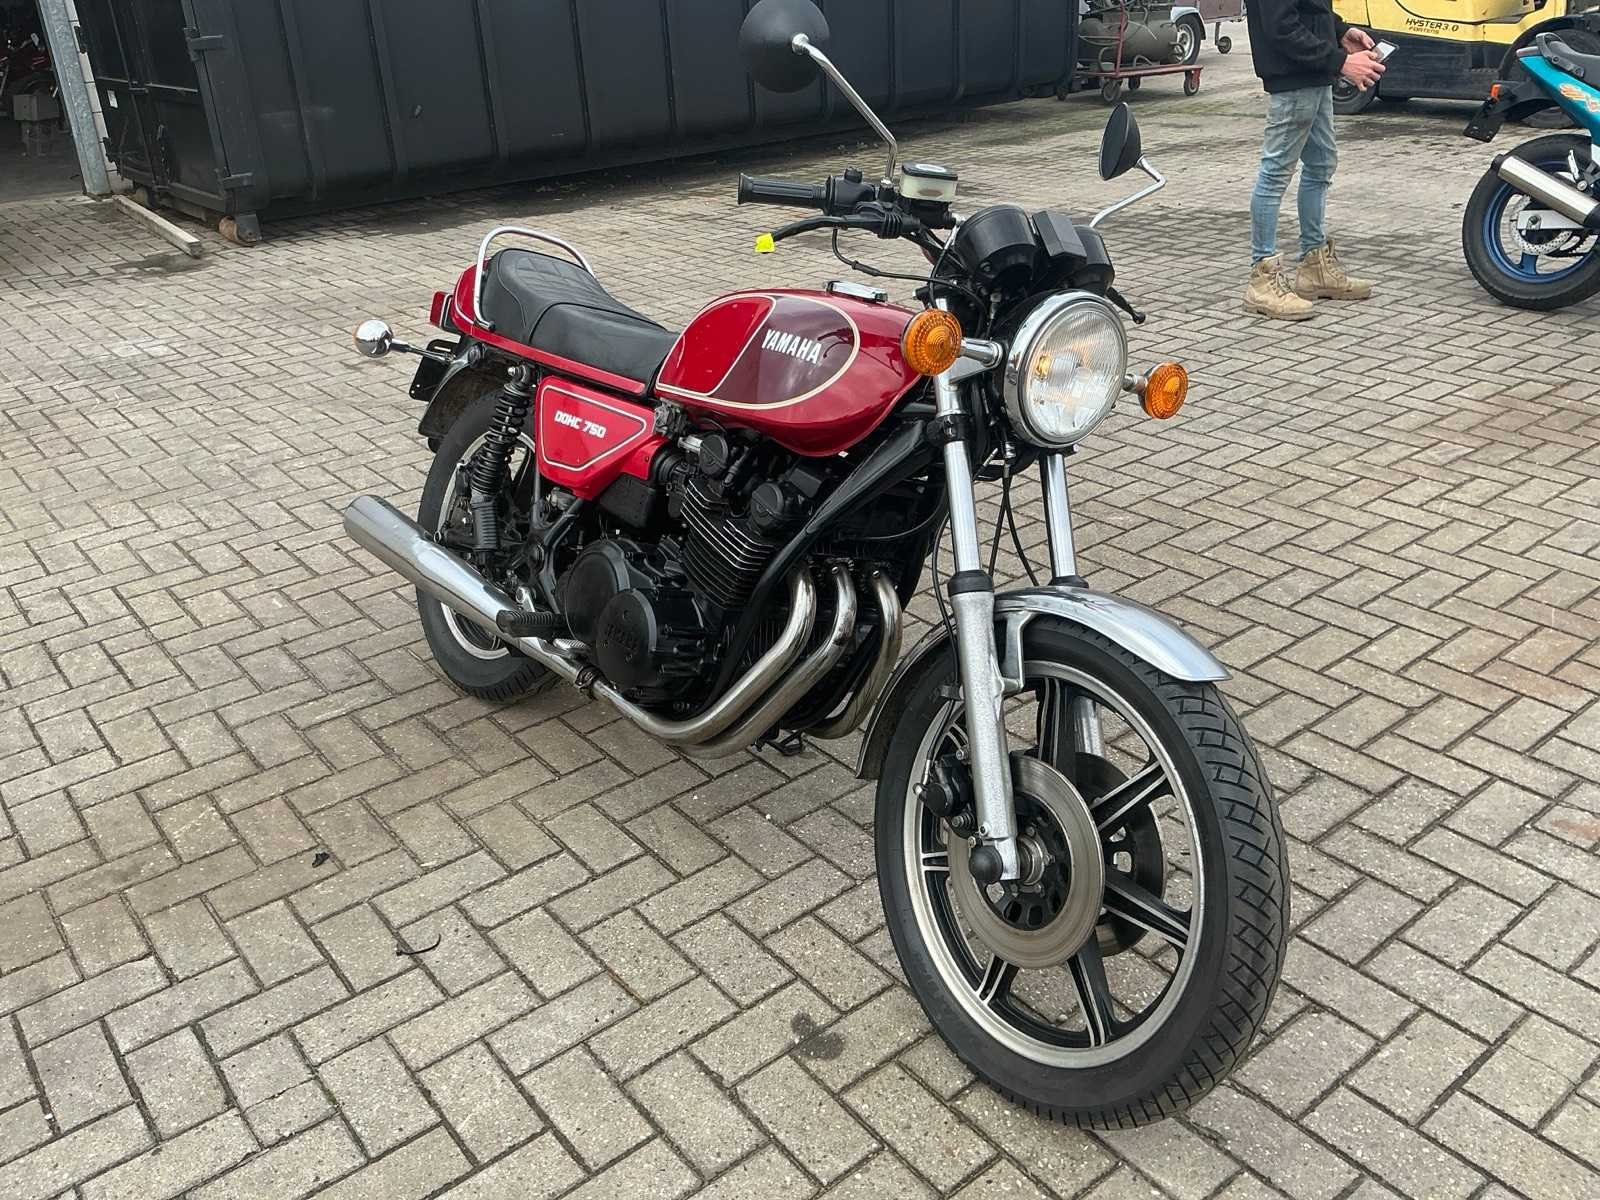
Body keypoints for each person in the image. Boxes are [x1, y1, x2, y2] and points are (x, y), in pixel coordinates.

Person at [1243, 0, 1386, 320]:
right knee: (1275, 173)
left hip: (1315, 76)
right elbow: (1281, 26)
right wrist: (1341, 61)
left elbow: (1309, 8)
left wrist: (1340, 31)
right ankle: (1261, 280)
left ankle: (1314, 266)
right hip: (1293, 78)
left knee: (1321, 165)